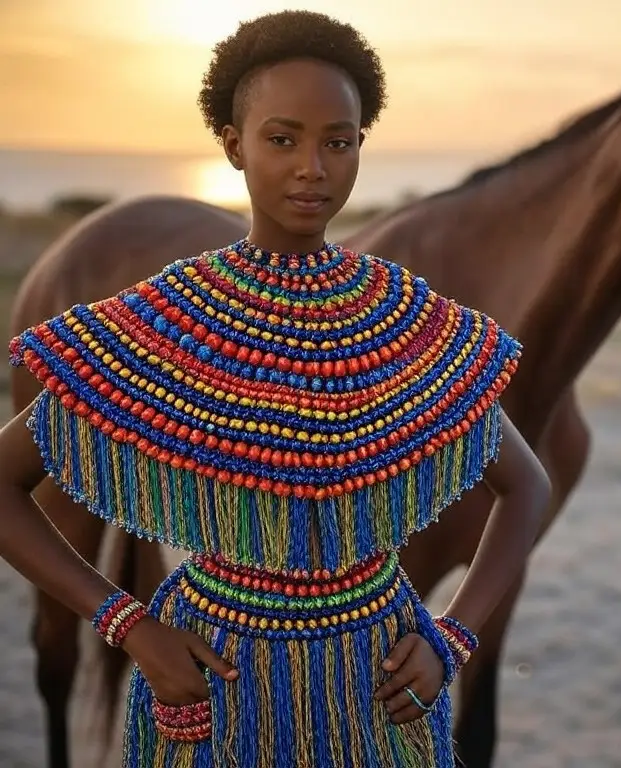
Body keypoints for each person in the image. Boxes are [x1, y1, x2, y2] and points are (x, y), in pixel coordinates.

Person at [0, 10, 550, 767]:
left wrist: (451, 637)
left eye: (339, 142)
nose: (312, 169)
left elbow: (526, 488)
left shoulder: (402, 320)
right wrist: (131, 627)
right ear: (233, 144)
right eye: (282, 138)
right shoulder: (172, 319)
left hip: (379, 687)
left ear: (362, 145)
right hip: (209, 686)